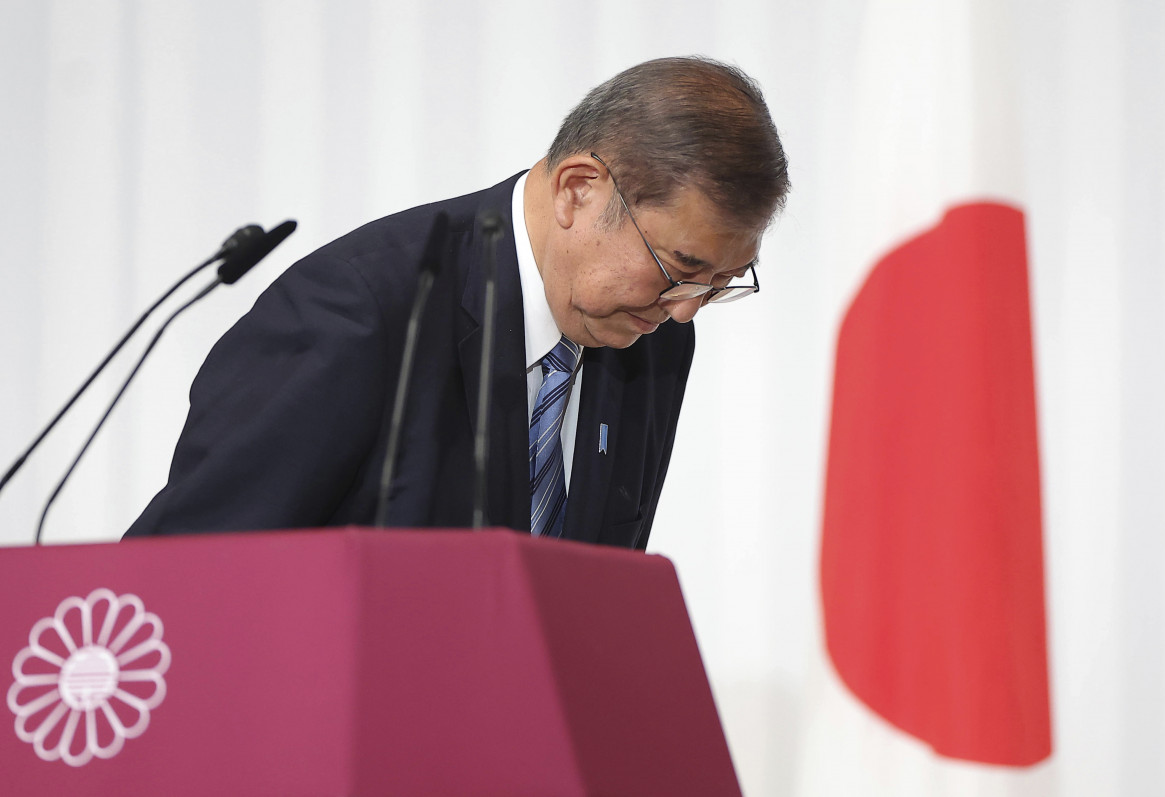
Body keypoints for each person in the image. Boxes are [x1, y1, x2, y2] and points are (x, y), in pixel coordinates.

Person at [123, 56, 790, 549]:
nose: (685, 310)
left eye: (721, 283)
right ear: (578, 191)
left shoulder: (654, 337)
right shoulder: (359, 310)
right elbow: (186, 574)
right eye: (681, 268)